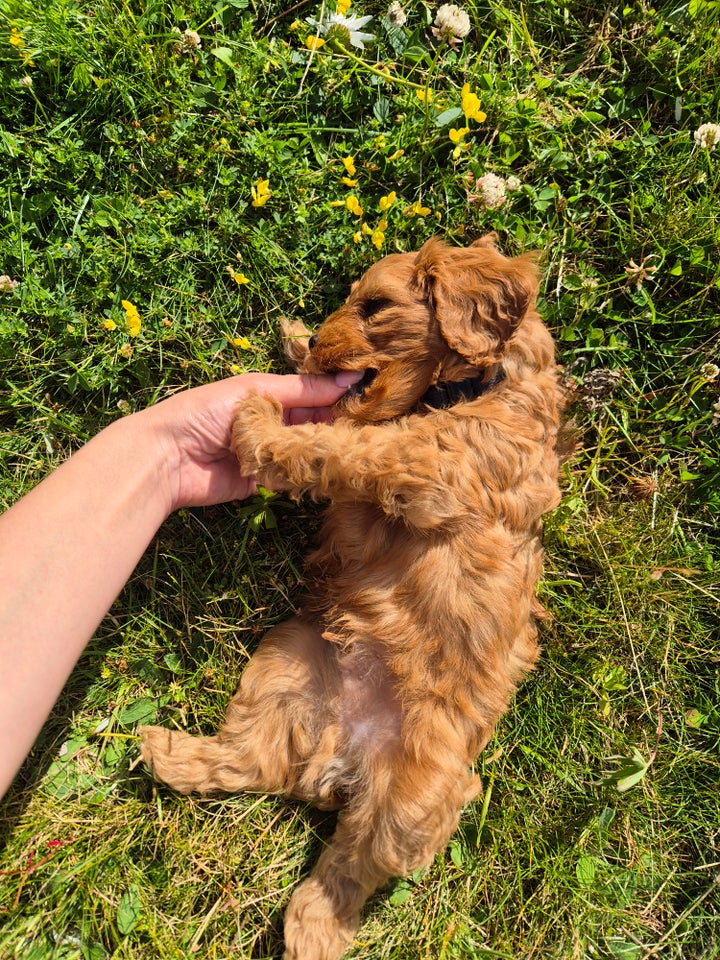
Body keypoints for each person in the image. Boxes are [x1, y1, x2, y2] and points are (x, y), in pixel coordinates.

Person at [0, 370, 361, 799]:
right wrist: (166, 455)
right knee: (296, 649)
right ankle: (251, 756)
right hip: (353, 634)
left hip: (419, 666)